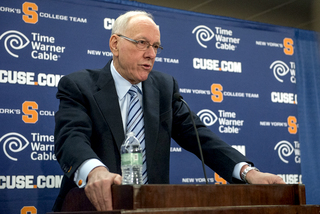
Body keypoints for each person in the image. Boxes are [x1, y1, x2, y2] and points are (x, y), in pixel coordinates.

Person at [52, 10, 285, 212]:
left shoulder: (164, 88)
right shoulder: (79, 86)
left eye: (155, 46)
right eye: (142, 43)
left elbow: (200, 137)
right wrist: (95, 172)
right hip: (89, 207)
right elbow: (71, 138)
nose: (151, 54)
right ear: (115, 44)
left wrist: (247, 172)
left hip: (151, 207)